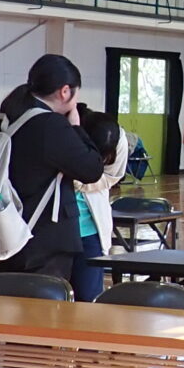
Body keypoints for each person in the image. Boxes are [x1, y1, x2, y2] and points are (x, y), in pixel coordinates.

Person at [0, 55, 108, 286]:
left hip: (6, 228)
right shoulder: (49, 125)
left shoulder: (7, 116)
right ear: (65, 92)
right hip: (43, 240)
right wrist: (75, 127)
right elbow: (91, 169)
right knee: (46, 303)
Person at [71, 106, 128, 302]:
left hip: (90, 230)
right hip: (56, 230)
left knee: (88, 297)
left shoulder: (118, 139)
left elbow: (112, 176)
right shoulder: (63, 133)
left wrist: (80, 181)